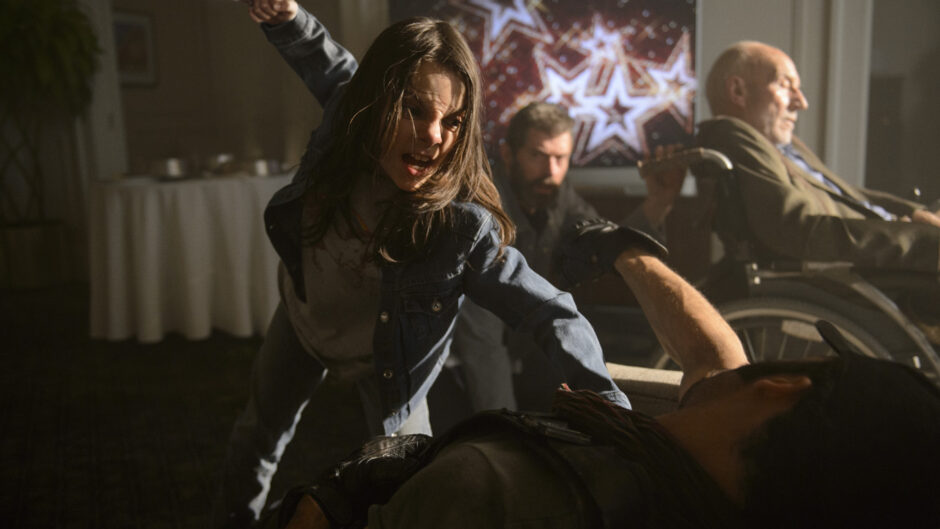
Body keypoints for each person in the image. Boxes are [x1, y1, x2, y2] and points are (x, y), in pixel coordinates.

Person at [212, 2, 650, 526]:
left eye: (452, 121)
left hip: (389, 366)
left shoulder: (461, 229)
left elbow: (550, 311)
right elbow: (327, 62)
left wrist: (610, 407)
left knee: (410, 491)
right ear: (376, 102)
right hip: (305, 318)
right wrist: (286, 17)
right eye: (415, 110)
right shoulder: (347, 119)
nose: (434, 135)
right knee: (256, 436)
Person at [263, 218, 940, 529]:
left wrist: (337, 496)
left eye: (807, 362)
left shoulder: (493, 489)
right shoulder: (726, 476)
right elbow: (716, 358)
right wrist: (626, 252)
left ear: (785, 386)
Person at [451, 102, 687, 413]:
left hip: (522, 351)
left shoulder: (560, 196)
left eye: (560, 158)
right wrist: (503, 421)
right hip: (459, 362)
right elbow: (481, 338)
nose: (550, 171)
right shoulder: (481, 203)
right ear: (509, 154)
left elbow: (605, 244)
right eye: (537, 156)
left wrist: (658, 201)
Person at [697, 40, 940, 335]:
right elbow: (795, 228)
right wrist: (912, 235)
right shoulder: (733, 134)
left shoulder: (780, 145)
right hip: (851, 268)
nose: (801, 102)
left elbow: (853, 195)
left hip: (880, 240)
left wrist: (917, 215)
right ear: (738, 91)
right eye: (786, 85)